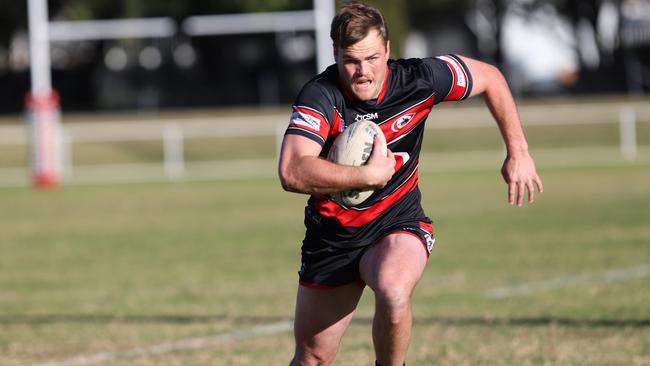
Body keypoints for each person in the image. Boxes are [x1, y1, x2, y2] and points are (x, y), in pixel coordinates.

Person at [278, 2, 543, 365]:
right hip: (334, 236)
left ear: (388, 49)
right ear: (335, 54)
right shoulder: (321, 95)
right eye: (351, 60)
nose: (363, 71)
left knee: (394, 290)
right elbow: (292, 171)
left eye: (372, 58)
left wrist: (518, 150)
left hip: (396, 221)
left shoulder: (419, 78)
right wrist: (365, 176)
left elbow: (490, 78)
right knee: (313, 356)